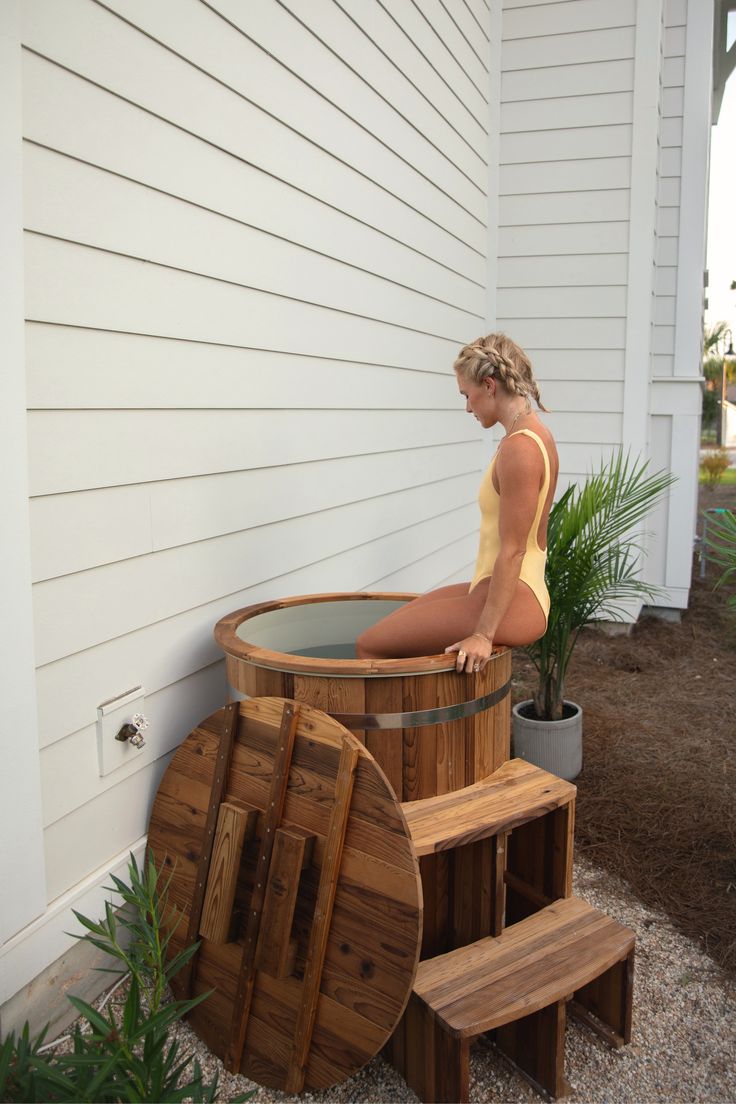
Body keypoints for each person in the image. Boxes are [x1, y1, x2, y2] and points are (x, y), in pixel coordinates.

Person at [355, 333, 558, 673]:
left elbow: (514, 550)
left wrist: (482, 633)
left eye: (468, 395)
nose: (467, 407)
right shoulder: (532, 434)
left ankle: (407, 726)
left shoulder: (520, 449)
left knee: (369, 646)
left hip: (516, 600)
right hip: (499, 588)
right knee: (395, 626)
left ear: (490, 385)